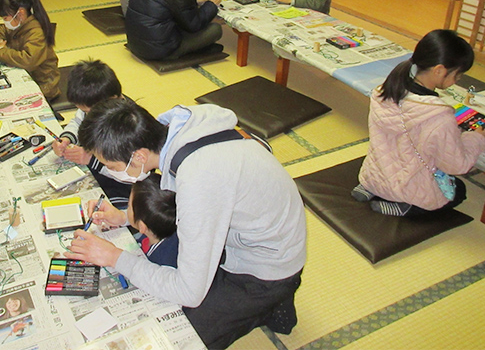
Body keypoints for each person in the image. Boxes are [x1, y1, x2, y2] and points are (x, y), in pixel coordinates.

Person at [67, 98, 307, 349]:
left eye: (112, 166)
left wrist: (116, 257)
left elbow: (189, 292)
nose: (111, 171)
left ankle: (266, 304)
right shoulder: (178, 127)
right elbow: (172, 205)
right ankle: (262, 305)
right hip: (252, 228)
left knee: (175, 336)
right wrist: (125, 217)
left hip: (265, 267)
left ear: (138, 156)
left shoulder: (199, 179)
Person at [352, 29, 485, 217]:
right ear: (439, 70)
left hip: (373, 175)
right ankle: (407, 207)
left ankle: (369, 188)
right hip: (408, 189)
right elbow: (457, 166)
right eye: (457, 75)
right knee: (459, 191)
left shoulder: (384, 91)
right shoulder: (439, 116)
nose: (457, 80)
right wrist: (476, 138)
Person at [52, 59, 131, 208]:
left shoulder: (128, 126)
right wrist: (66, 138)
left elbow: (131, 175)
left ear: (112, 99)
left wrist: (91, 160)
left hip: (120, 186)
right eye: (83, 110)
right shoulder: (97, 104)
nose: (87, 114)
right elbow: (77, 121)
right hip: (93, 170)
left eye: (89, 111)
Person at [0, 0, 59, 100]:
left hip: (43, 84)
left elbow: (28, 60)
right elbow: (4, 30)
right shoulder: (20, 22)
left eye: (5, 18)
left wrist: (2, 51)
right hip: (27, 73)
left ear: (20, 13)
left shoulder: (36, 32)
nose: (5, 22)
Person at [128, 174, 179, 269]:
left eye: (129, 207)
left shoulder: (157, 262)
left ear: (142, 227)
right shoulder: (160, 226)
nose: (127, 208)